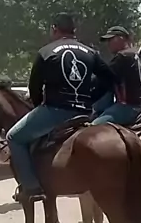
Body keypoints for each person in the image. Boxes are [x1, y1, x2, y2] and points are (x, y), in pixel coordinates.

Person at [7, 13, 114, 201]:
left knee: (13, 137)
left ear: (54, 29)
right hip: (85, 112)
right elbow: (109, 79)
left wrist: (39, 105)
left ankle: (31, 187)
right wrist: (90, 98)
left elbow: (34, 87)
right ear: (74, 30)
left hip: (55, 111)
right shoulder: (91, 52)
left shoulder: (46, 52)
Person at [91, 26, 141, 126]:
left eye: (110, 39)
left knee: (93, 127)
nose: (108, 44)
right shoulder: (133, 54)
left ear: (121, 38)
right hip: (137, 105)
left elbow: (101, 79)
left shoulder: (122, 57)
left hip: (127, 107)